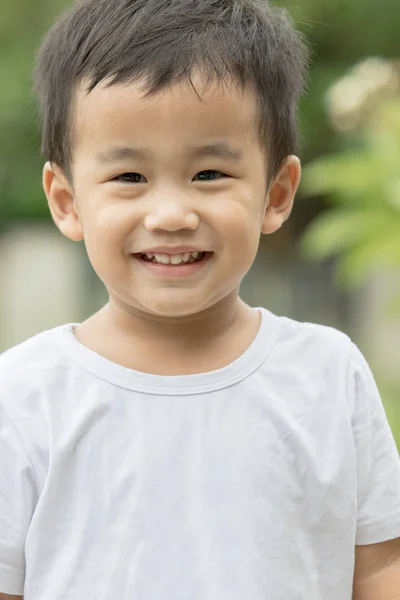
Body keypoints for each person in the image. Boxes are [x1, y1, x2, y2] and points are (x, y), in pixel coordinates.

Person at [1, 0, 400, 598]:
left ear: (276, 192)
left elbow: (377, 563)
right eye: (129, 177)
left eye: (209, 174)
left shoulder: (327, 373)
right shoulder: (24, 394)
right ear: (66, 200)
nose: (170, 215)